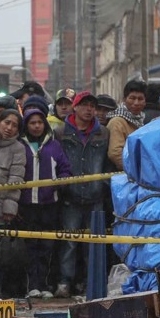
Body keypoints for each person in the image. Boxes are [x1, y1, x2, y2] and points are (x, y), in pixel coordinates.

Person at [56, 91, 110, 298]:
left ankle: (91, 282)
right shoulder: (61, 132)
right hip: (70, 197)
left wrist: (104, 185)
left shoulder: (103, 133)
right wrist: (63, 186)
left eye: (92, 106)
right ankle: (64, 281)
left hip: (96, 196)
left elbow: (107, 163)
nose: (89, 110)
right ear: (75, 107)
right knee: (68, 242)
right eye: (85, 105)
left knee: (93, 244)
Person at [18, 101, 71, 299]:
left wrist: (59, 184)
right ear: (26, 125)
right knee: (30, 247)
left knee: (49, 247)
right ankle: (32, 285)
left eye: (40, 122)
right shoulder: (19, 145)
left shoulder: (54, 145)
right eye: (32, 123)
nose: (37, 126)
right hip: (27, 205)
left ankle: (47, 284)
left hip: (50, 204)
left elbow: (66, 169)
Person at [0, 108, 27, 297]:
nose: (9, 128)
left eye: (14, 125)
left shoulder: (18, 148)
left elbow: (16, 178)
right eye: (6, 122)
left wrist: (10, 207)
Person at [106, 79, 148, 171]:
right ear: (124, 99)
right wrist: (136, 171)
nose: (136, 103)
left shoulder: (141, 120)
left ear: (145, 102)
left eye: (140, 99)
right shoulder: (117, 121)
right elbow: (115, 153)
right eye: (132, 98)